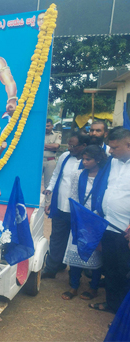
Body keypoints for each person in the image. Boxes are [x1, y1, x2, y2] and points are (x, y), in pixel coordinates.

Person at [89, 128, 130, 313]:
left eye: (115, 147)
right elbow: (107, 188)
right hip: (108, 225)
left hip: (126, 232)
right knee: (111, 269)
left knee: (125, 273)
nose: (110, 151)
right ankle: (112, 305)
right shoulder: (113, 162)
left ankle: (123, 317)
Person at [61, 145, 107, 301]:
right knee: (76, 251)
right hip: (80, 221)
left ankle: (93, 287)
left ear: (98, 160)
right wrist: (78, 219)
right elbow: (73, 198)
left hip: (97, 221)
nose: (84, 162)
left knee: (95, 254)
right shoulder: (78, 175)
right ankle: (74, 285)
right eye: (83, 158)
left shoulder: (105, 176)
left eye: (88, 159)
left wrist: (95, 218)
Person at [42, 132, 89, 279]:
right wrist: (49, 189)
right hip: (61, 205)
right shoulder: (64, 157)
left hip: (78, 210)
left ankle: (77, 273)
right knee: (56, 237)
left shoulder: (89, 161)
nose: (69, 148)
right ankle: (52, 268)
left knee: (77, 240)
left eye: (73, 145)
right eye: (68, 145)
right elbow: (56, 175)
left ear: (84, 146)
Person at [43, 118, 61, 206]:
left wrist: (42, 145)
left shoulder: (57, 135)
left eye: (48, 126)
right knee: (35, 182)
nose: (46, 127)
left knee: (48, 184)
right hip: (39, 162)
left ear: (52, 126)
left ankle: (47, 204)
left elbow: (56, 146)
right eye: (45, 125)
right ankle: (36, 203)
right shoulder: (39, 133)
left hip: (50, 161)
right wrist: (50, 146)